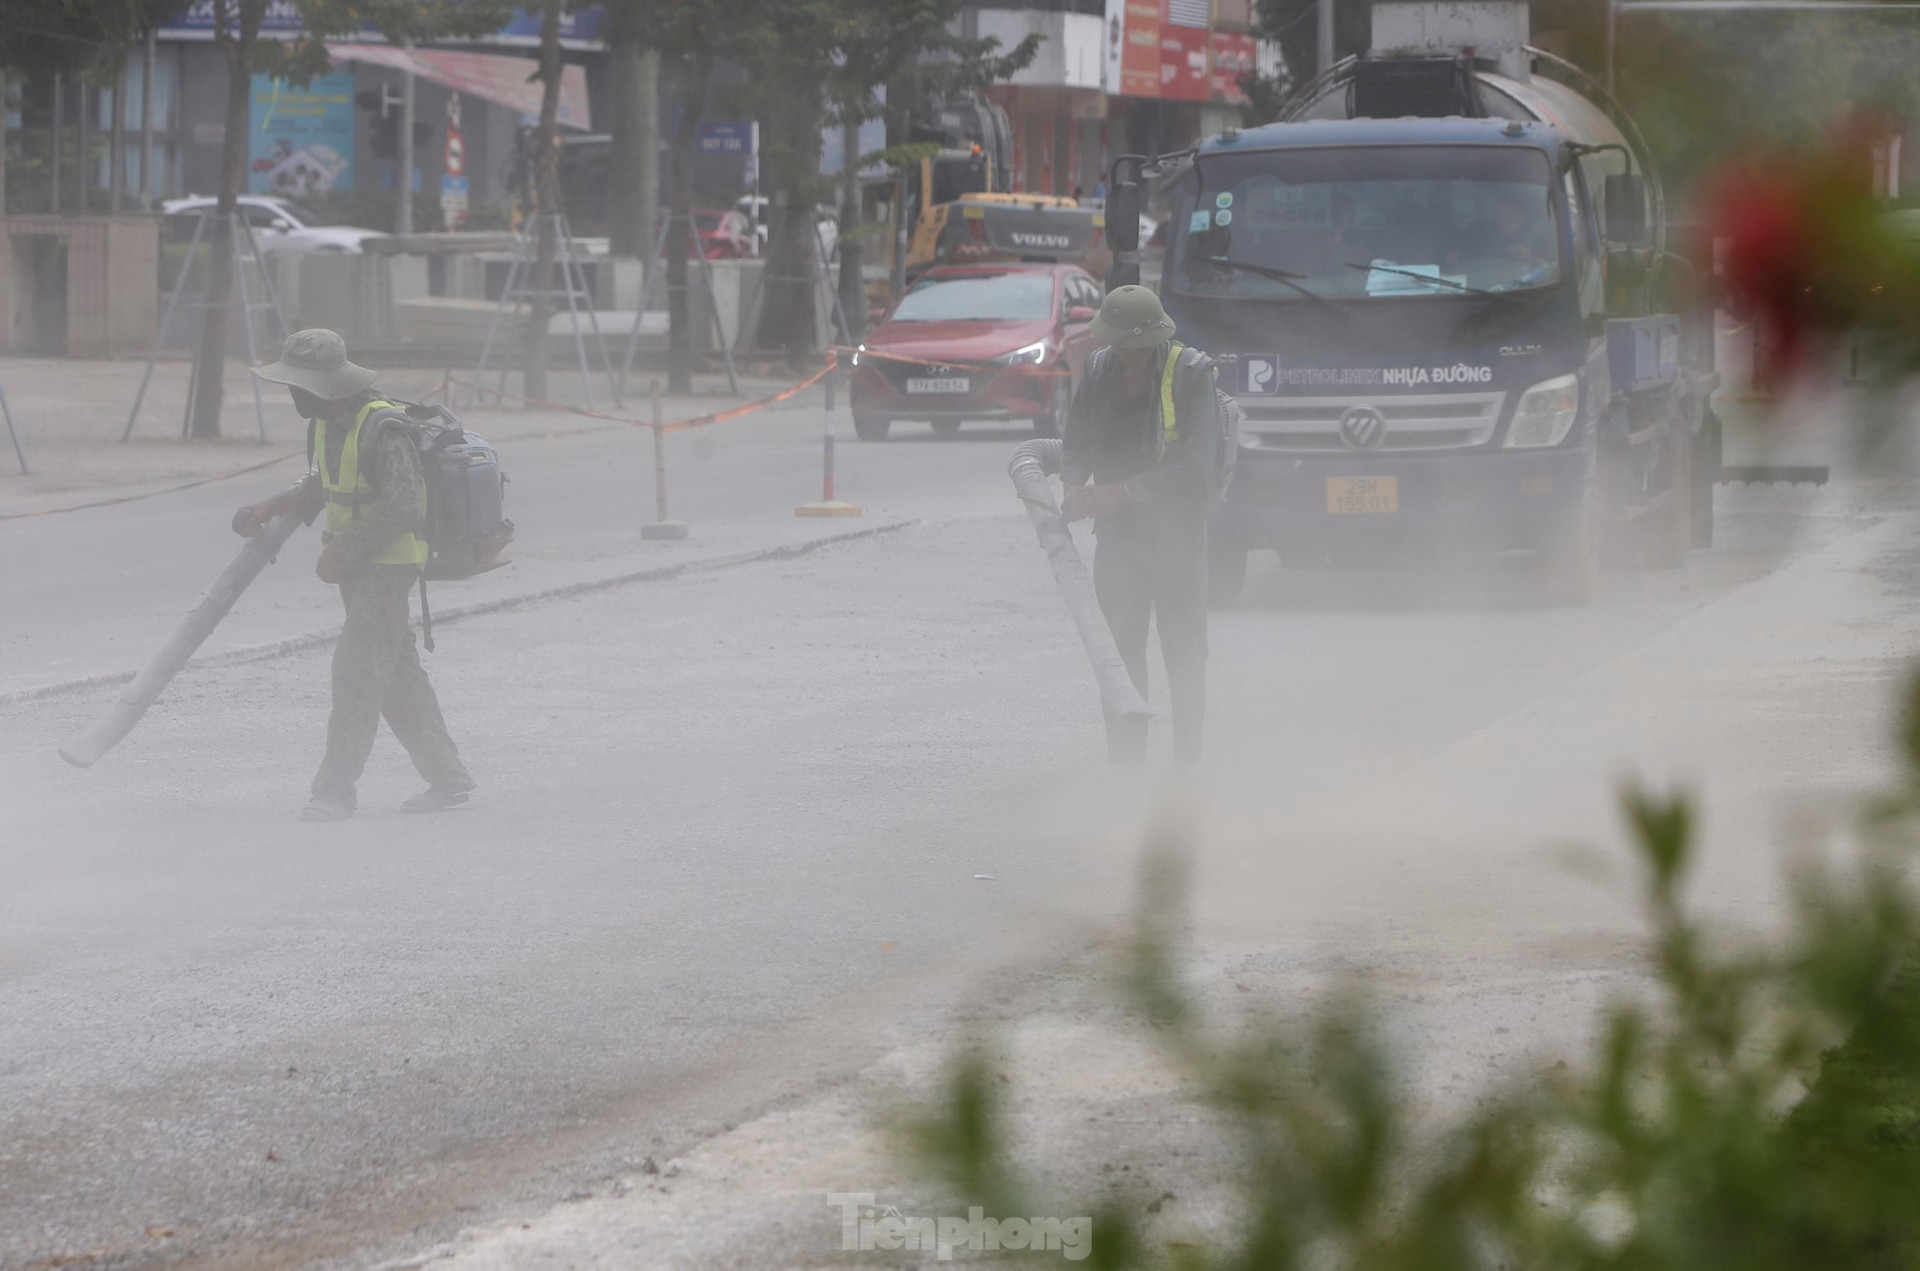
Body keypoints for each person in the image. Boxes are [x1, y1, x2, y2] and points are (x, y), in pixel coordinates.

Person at [235, 329, 475, 822]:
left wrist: (344, 551)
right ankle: (448, 779)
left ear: (325, 385)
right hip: (359, 568)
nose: (293, 395)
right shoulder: (329, 421)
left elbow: (405, 505)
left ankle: (335, 790)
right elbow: (326, 478)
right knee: (396, 676)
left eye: (299, 385)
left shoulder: (382, 428)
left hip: (388, 564)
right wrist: (277, 505)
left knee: (356, 669)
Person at [1061, 286, 1222, 766]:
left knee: (1184, 655)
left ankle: (1186, 765)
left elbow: (1198, 461)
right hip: (1119, 542)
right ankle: (1126, 767)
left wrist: (1125, 492)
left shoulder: (1192, 374)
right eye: (1115, 345)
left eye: (1129, 346)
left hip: (1179, 539)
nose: (1123, 355)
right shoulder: (1098, 368)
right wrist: (1074, 486)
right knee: (1121, 657)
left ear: (1151, 341)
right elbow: (1075, 443)